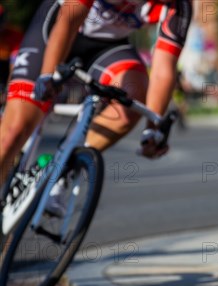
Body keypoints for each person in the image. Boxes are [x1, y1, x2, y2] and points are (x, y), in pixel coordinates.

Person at [0, 0, 192, 215]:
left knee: (132, 100)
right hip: (58, 27)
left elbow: (162, 70)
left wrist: (152, 129)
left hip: (107, 47)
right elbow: (69, 19)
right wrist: (48, 75)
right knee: (12, 134)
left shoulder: (179, 6)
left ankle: (60, 172)